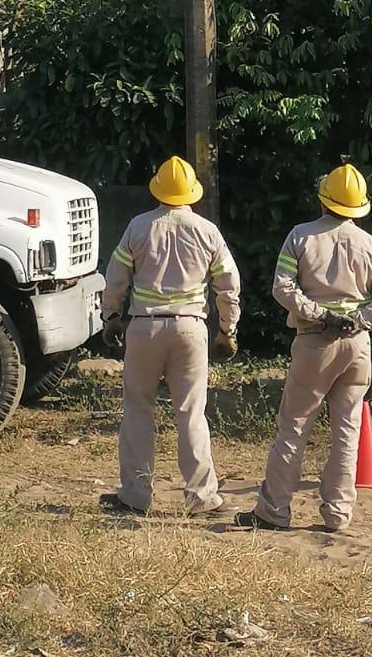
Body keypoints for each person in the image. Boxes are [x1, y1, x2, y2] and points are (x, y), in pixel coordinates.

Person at [234, 164, 372, 535]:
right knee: (347, 430)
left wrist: (321, 314)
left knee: (293, 427)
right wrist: (358, 319)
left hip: (314, 341)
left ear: (322, 198)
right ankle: (338, 514)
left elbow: (283, 288)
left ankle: (274, 510)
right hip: (357, 346)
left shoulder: (302, 237)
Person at [98, 156, 240, 517]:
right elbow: (228, 286)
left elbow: (116, 277)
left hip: (144, 328)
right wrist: (227, 330)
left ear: (157, 189)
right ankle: (202, 498)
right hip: (191, 328)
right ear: (192, 193)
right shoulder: (208, 231)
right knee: (192, 413)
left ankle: (135, 495)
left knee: (138, 410)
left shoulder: (139, 226)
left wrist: (112, 317)